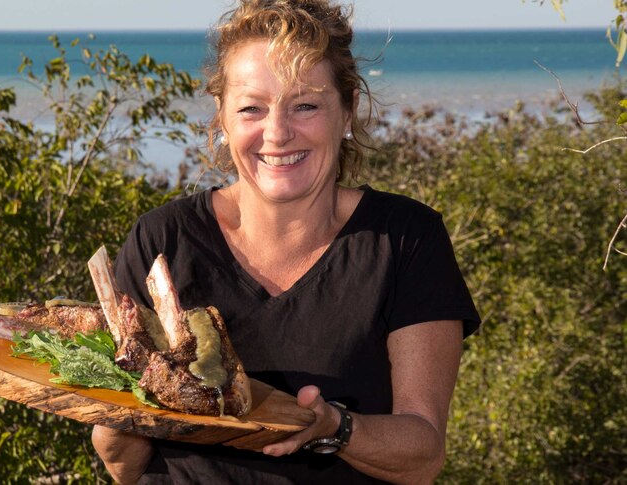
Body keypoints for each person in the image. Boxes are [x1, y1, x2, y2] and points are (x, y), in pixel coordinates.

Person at [92, 0, 481, 483]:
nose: (276, 133)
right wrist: (122, 412)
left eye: (305, 106)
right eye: (252, 108)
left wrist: (335, 427)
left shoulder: (405, 240)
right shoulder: (162, 241)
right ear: (223, 118)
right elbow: (123, 466)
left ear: (347, 112)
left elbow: (423, 454)